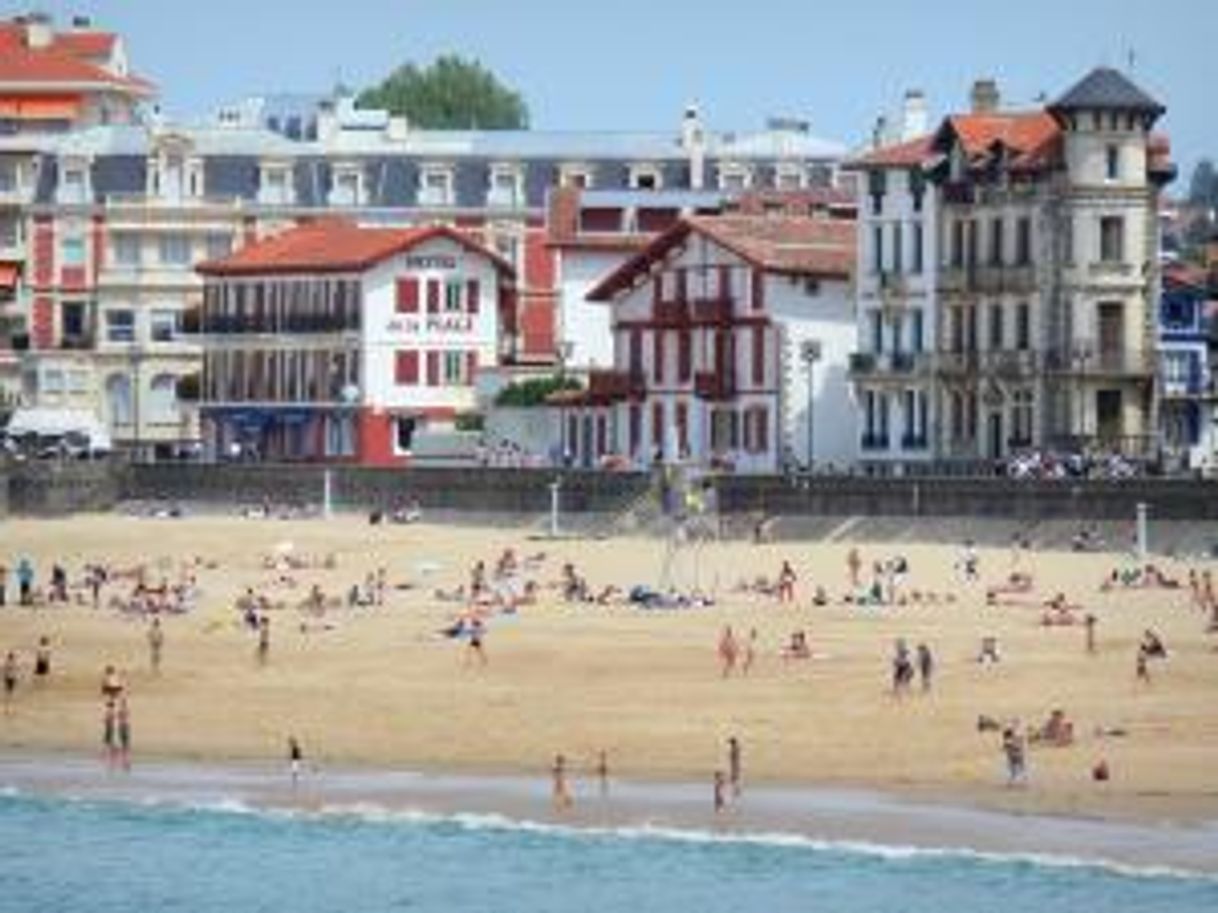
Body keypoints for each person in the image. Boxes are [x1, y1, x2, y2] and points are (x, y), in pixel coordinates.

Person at [116, 697, 132, 772]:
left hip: (123, 726)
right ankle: (125, 759)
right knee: (125, 743)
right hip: (123, 726)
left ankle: (125, 758)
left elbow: (121, 718)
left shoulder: (122, 710)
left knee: (125, 743)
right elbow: (122, 718)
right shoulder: (123, 710)